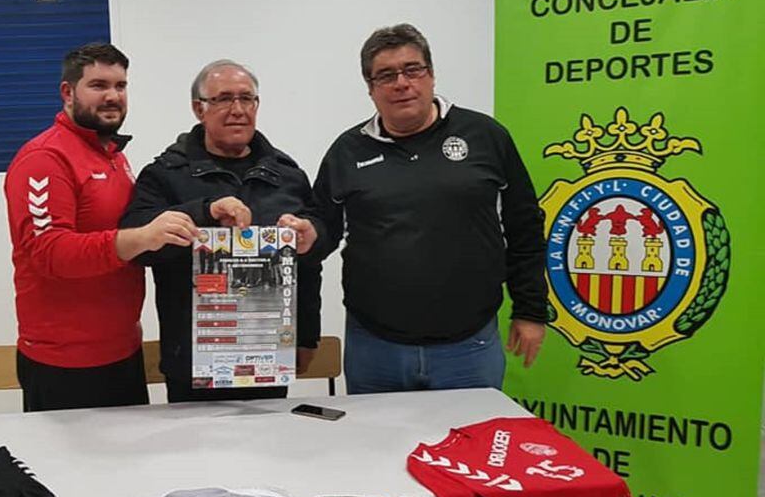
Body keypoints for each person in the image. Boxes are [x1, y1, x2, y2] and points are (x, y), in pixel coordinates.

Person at [3, 42, 197, 497]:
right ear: (68, 92)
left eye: (120, 86)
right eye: (99, 85)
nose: (112, 96)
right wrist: (138, 239)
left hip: (119, 354)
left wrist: (193, 214)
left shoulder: (111, 155)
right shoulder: (44, 159)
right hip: (63, 366)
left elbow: (136, 223)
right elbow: (47, 252)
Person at [310, 23, 547, 394]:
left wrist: (530, 310)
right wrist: (304, 235)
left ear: (431, 75)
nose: (401, 83)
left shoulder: (485, 137)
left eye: (412, 69)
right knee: (376, 449)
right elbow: (321, 229)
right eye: (385, 75)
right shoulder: (347, 151)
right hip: (375, 347)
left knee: (471, 448)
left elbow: (525, 228)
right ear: (371, 89)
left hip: (469, 346)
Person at [120, 59, 322, 402]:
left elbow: (310, 260)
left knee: (269, 451)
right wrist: (202, 215)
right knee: (194, 454)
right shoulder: (164, 175)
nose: (238, 109)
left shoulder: (288, 175)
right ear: (199, 108)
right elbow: (135, 244)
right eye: (223, 99)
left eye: (247, 98)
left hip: (267, 353)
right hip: (193, 361)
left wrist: (306, 336)